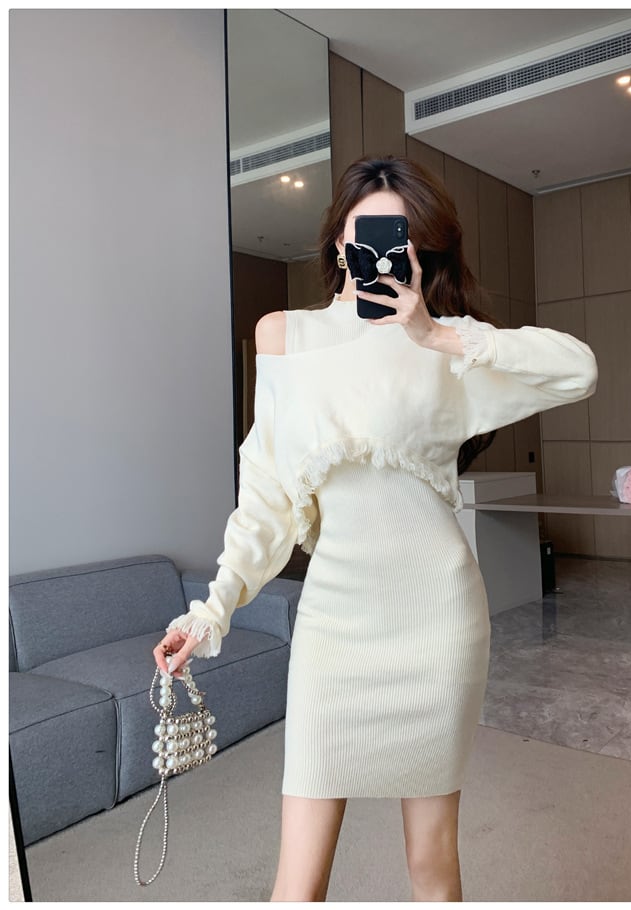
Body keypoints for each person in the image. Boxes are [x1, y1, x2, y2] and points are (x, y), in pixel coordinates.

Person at [153, 156, 598, 901]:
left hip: (435, 618)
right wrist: (211, 611)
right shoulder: (283, 337)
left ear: (420, 251)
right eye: (368, 234)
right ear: (339, 243)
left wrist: (439, 335)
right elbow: (264, 497)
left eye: (403, 237)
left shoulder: (445, 343)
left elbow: (578, 370)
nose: (385, 251)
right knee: (297, 885)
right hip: (334, 624)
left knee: (433, 870)